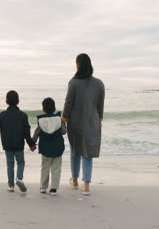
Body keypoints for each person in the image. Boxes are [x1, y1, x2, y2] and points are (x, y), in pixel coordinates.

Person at [62, 53, 105, 196]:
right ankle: (86, 185)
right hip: (92, 121)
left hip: (75, 122)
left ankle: (74, 179)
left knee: (76, 150)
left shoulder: (73, 82)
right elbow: (100, 105)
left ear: (78, 65)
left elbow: (68, 103)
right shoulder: (99, 83)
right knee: (88, 153)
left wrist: (64, 119)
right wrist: (99, 120)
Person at [0, 90, 36, 192]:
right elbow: (27, 133)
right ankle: (19, 178)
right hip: (19, 145)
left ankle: (11, 186)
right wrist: (31, 144)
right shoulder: (23, 116)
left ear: (6, 101)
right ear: (18, 101)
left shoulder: (2, 115)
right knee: (20, 162)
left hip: (7, 145)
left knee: (10, 164)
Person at [33, 97, 66, 196]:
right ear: (55, 108)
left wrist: (32, 143)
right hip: (57, 147)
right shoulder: (59, 120)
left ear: (43, 109)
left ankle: (43, 187)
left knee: (45, 167)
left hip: (45, 148)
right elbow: (64, 132)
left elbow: (36, 134)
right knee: (56, 168)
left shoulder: (41, 121)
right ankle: (54, 188)